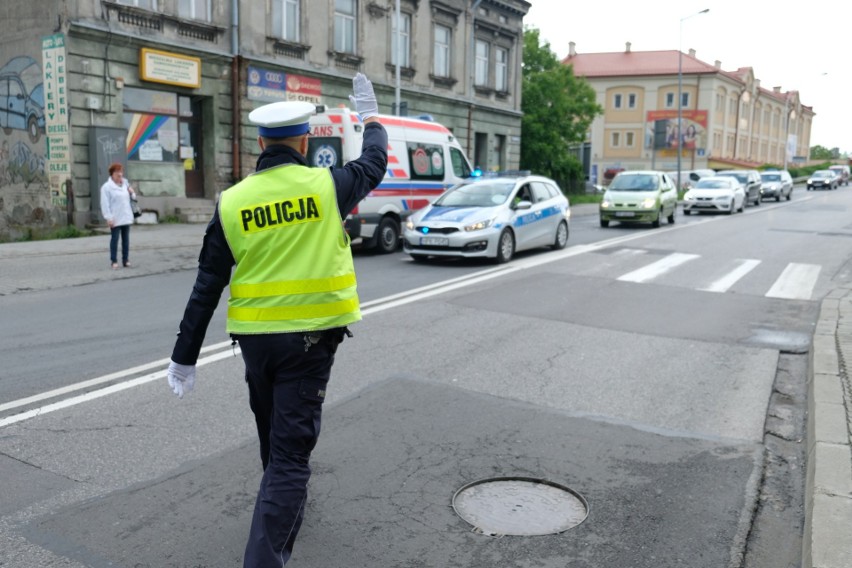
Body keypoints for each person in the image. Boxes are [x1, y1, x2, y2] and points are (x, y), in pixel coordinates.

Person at [165, 73, 387, 567]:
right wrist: (369, 117)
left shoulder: (233, 202)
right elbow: (374, 162)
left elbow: (207, 286)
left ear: (261, 143)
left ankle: (283, 504)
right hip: (310, 344)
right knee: (290, 458)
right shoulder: (328, 186)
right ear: (304, 140)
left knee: (273, 434)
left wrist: (184, 358)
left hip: (256, 346)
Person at [100, 162, 137, 269]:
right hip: (115, 218)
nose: (120, 174)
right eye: (117, 172)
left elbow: (133, 198)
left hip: (126, 216)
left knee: (126, 239)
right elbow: (105, 204)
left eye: (121, 171)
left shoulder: (125, 184)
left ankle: (125, 260)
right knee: (115, 239)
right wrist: (108, 218)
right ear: (112, 173)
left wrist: (131, 192)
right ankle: (114, 261)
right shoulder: (106, 187)